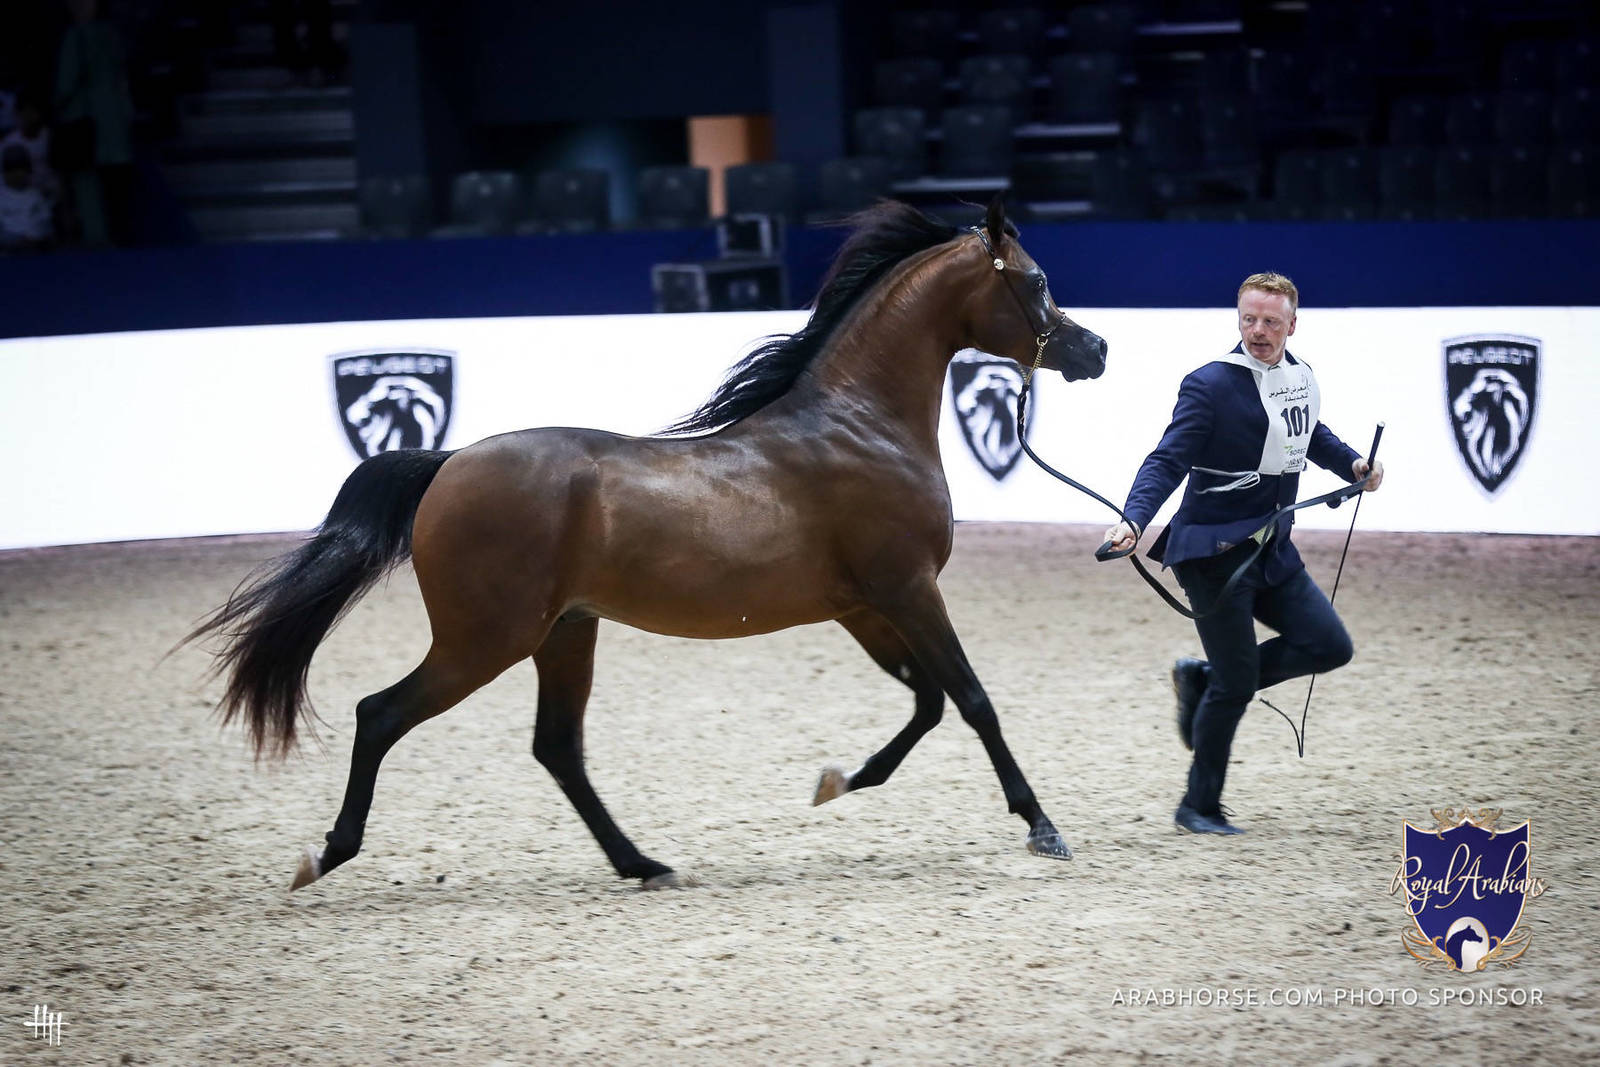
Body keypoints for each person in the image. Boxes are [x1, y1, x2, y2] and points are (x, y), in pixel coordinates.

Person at [1102, 272, 1383, 836]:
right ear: (1238, 318)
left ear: (1292, 325)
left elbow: (1308, 434)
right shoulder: (1210, 384)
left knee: (1329, 645)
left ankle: (1202, 680)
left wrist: (1353, 464)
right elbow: (1167, 459)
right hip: (1210, 553)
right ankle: (1198, 807)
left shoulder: (1299, 376)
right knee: (1238, 682)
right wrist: (1135, 518)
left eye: (1271, 322)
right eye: (1249, 319)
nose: (1258, 331)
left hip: (1272, 548)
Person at [0, 143, 52, 251]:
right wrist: (15, 241)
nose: (17, 174)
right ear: (5, 173)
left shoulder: (36, 195)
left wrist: (34, 240)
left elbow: (46, 225)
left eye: (21, 169)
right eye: (12, 170)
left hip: (37, 254)